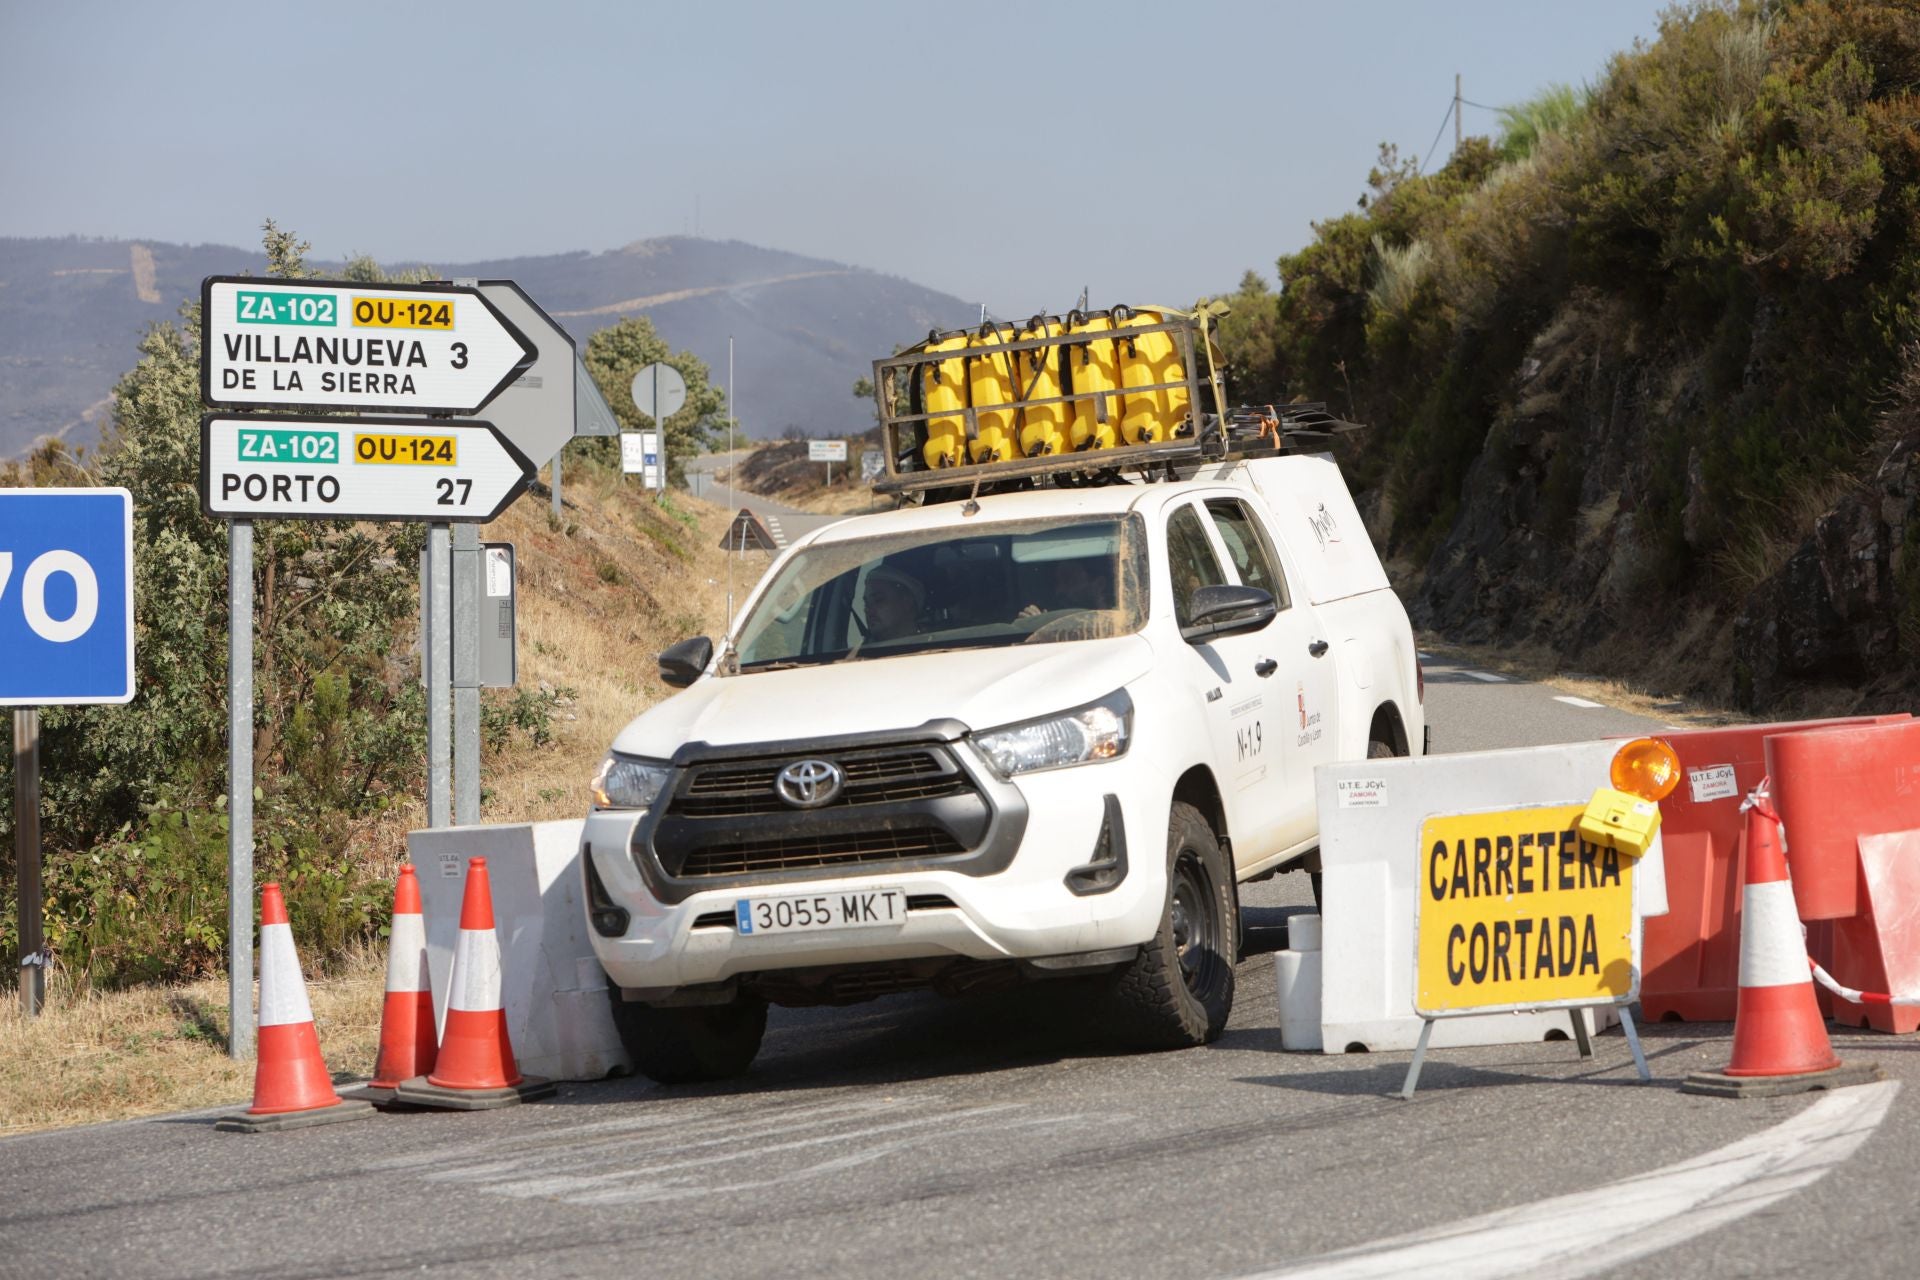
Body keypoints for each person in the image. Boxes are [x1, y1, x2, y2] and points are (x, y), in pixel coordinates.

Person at [1017, 557, 1104, 620]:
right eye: (1058, 583)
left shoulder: (1115, 625)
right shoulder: (1050, 620)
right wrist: (1037, 625)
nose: (1060, 591)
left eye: (1069, 580)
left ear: (1099, 584)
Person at [862, 564, 926, 641]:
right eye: (866, 603)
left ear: (907, 602)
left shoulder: (934, 644)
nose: (868, 610)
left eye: (878, 600)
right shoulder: (860, 651)